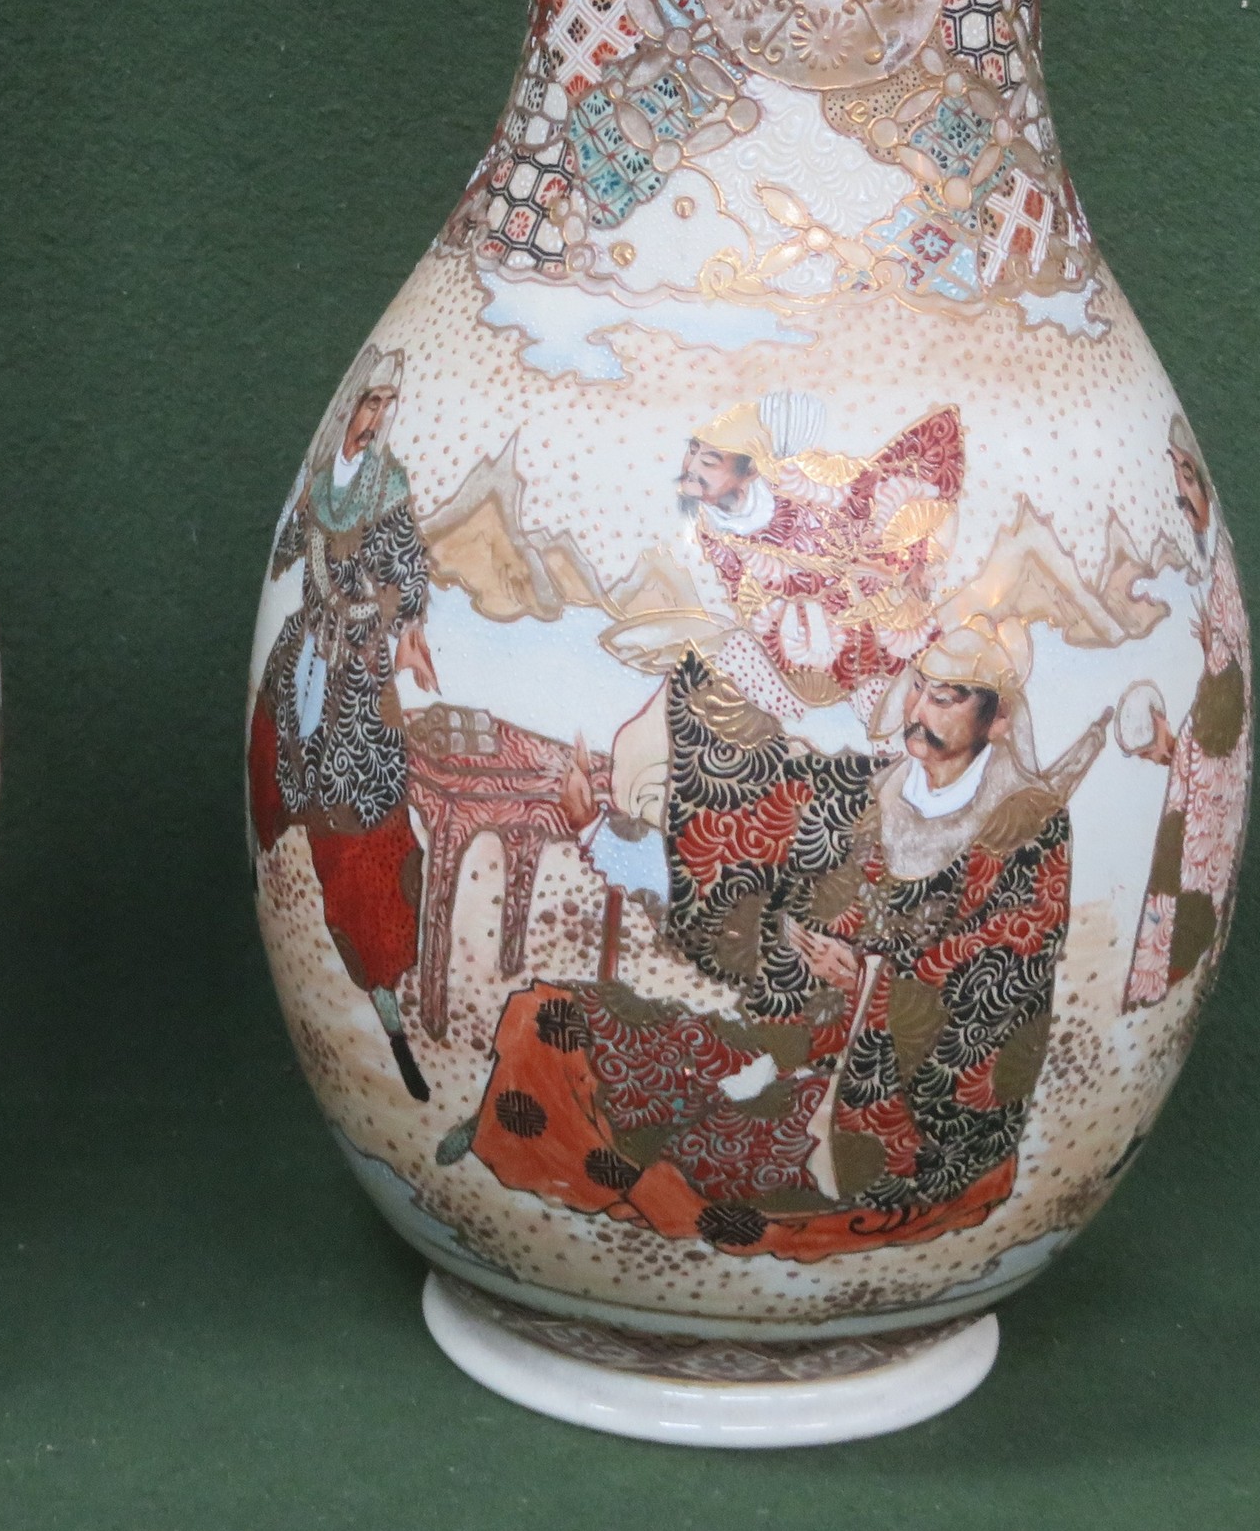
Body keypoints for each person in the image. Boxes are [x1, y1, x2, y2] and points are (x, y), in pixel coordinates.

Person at [466, 618, 1106, 1256]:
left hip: (897, 1109)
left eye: (945, 698)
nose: (918, 709)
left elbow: (1002, 985)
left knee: (700, 1158)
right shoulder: (858, 796)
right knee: (553, 1020)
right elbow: (736, 870)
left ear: (996, 722)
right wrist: (597, 832)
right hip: (783, 1047)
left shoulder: (1024, 832)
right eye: (918, 687)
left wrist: (868, 985)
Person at [250, 348, 441, 1099]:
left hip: (360, 659)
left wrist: (411, 627)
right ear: (347, 408)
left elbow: (411, 565)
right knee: (285, 752)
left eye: (384, 405)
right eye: (367, 403)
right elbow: (292, 553)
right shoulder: (319, 482)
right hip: (310, 650)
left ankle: (389, 971)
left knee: (370, 814)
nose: (374, 417)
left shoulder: (385, 485)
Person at [673, 392, 962, 720]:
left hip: (868, 598)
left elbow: (863, 504)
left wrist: (906, 566)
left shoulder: (799, 484)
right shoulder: (711, 529)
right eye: (691, 452)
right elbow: (739, 593)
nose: (690, 468)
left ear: (751, 470)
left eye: (709, 462)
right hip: (796, 630)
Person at [1124, 417, 1254, 1007]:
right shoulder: (1200, 560)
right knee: (1175, 859)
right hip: (1202, 742)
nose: (1180, 493)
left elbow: (1226, 667)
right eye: (1177, 481)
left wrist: (1216, 658)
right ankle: (1158, 979)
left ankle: (1169, 973)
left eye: (1186, 478)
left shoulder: (1210, 564)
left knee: (1188, 870)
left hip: (1211, 746)